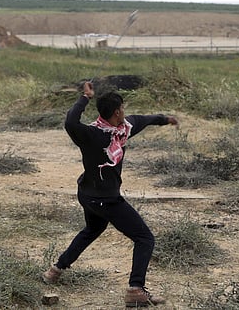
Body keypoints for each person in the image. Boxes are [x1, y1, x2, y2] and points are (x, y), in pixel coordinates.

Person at [42, 81, 179, 307]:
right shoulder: (109, 132)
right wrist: (166, 119)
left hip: (87, 194)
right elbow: (142, 119)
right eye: (122, 109)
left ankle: (55, 270)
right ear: (117, 112)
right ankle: (136, 289)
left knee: (93, 229)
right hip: (106, 200)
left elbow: (142, 119)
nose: (125, 113)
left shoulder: (95, 132)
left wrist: (85, 97)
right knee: (145, 238)